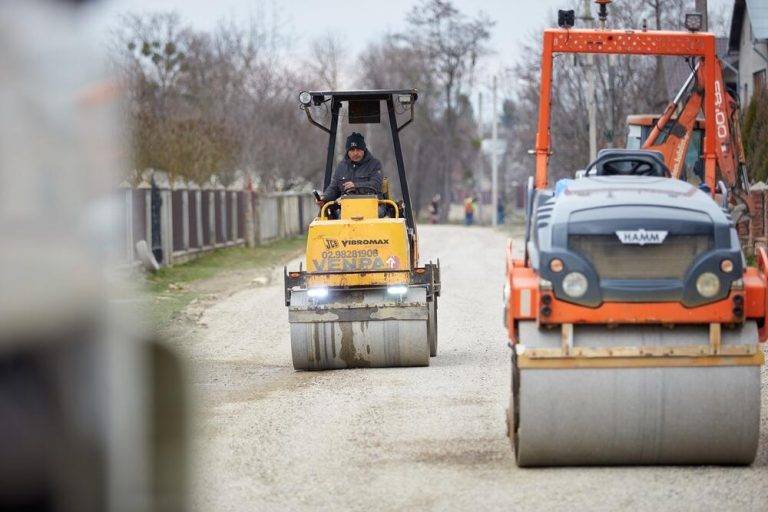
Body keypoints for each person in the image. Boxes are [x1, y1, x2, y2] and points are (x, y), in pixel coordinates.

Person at [318, 132, 383, 203]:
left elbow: (376, 184)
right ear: (347, 151)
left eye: (358, 150)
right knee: (328, 211)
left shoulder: (374, 164)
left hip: (372, 204)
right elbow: (334, 188)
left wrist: (356, 186)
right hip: (347, 206)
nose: (355, 153)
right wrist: (324, 198)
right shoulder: (341, 167)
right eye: (352, 150)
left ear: (364, 150)